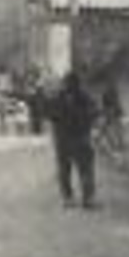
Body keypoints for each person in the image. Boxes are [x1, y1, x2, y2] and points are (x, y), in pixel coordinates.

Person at [48, 71, 98, 209]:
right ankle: (88, 198)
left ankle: (68, 198)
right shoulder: (85, 97)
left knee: (65, 169)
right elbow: (94, 112)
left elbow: (51, 114)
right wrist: (87, 123)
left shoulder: (59, 97)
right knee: (85, 169)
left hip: (63, 139)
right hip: (80, 137)